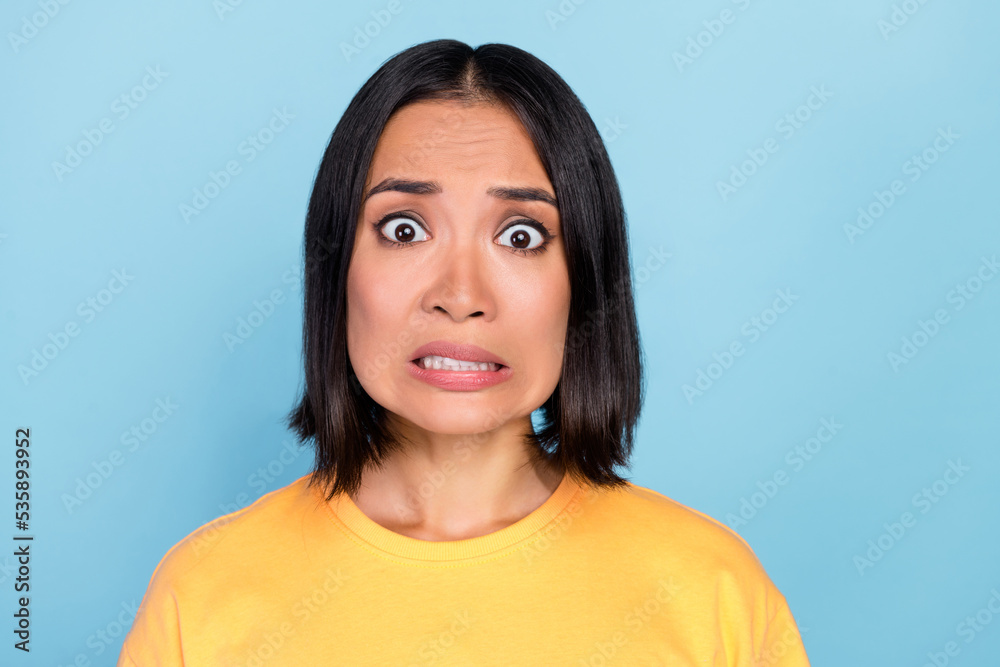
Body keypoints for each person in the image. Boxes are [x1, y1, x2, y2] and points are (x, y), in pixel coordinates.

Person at [117, 39, 810, 666]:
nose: (460, 294)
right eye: (405, 227)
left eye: (521, 237)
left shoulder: (713, 594)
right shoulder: (203, 593)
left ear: (585, 281)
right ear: (337, 268)